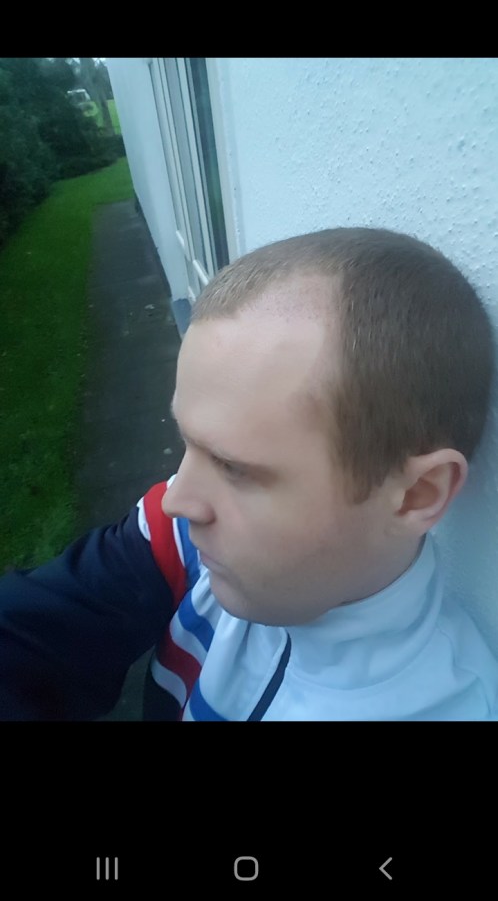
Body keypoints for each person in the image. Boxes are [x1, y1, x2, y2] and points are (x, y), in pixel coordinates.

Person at [1, 226, 498, 720]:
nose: (176, 499)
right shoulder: (186, 544)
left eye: (230, 466)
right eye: (187, 443)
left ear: (415, 495)